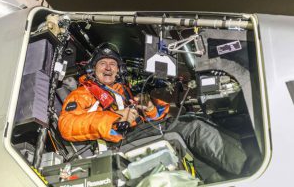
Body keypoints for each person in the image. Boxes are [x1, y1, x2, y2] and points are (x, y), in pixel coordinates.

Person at [58, 43, 247, 180]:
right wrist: (113, 119)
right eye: (102, 63)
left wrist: (149, 108)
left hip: (138, 134)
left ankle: (224, 180)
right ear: (93, 69)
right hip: (114, 145)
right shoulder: (83, 92)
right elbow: (67, 125)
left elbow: (158, 117)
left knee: (192, 120)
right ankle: (248, 167)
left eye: (113, 64)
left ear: (119, 70)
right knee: (193, 128)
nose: (108, 67)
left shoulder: (124, 91)